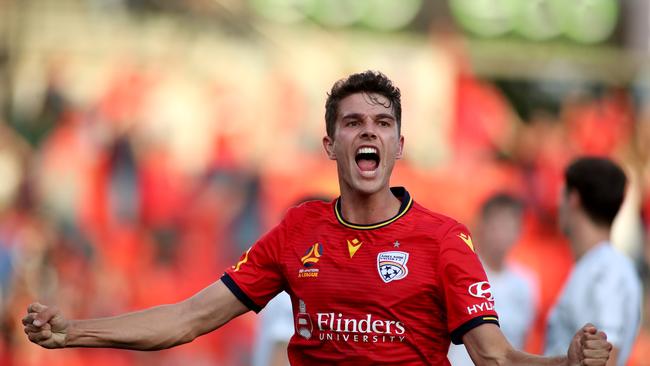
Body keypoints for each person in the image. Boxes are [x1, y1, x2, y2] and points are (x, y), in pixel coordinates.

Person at [23, 71, 612, 365]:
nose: (368, 132)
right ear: (330, 145)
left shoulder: (443, 239)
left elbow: (496, 357)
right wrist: (74, 330)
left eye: (382, 123)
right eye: (353, 122)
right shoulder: (297, 233)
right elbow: (186, 319)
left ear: (399, 146)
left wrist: (566, 363)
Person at [545, 157, 642, 366]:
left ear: (573, 198)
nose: (557, 203)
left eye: (561, 193)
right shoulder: (597, 266)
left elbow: (606, 356)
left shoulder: (607, 270)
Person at [448, 193, 538, 365]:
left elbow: (522, 340)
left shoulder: (525, 283)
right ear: (481, 225)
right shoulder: (460, 273)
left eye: (509, 226)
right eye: (497, 225)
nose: (502, 234)